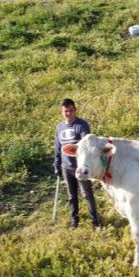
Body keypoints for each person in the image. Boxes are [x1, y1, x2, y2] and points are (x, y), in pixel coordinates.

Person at [54, 98, 100, 228]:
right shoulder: (59, 127)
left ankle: (95, 221)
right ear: (62, 112)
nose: (68, 113)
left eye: (70, 110)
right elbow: (57, 147)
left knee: (87, 194)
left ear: (75, 110)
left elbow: (87, 144)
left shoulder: (82, 125)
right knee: (71, 195)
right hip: (66, 166)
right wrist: (56, 164)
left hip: (80, 167)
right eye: (65, 111)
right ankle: (75, 221)